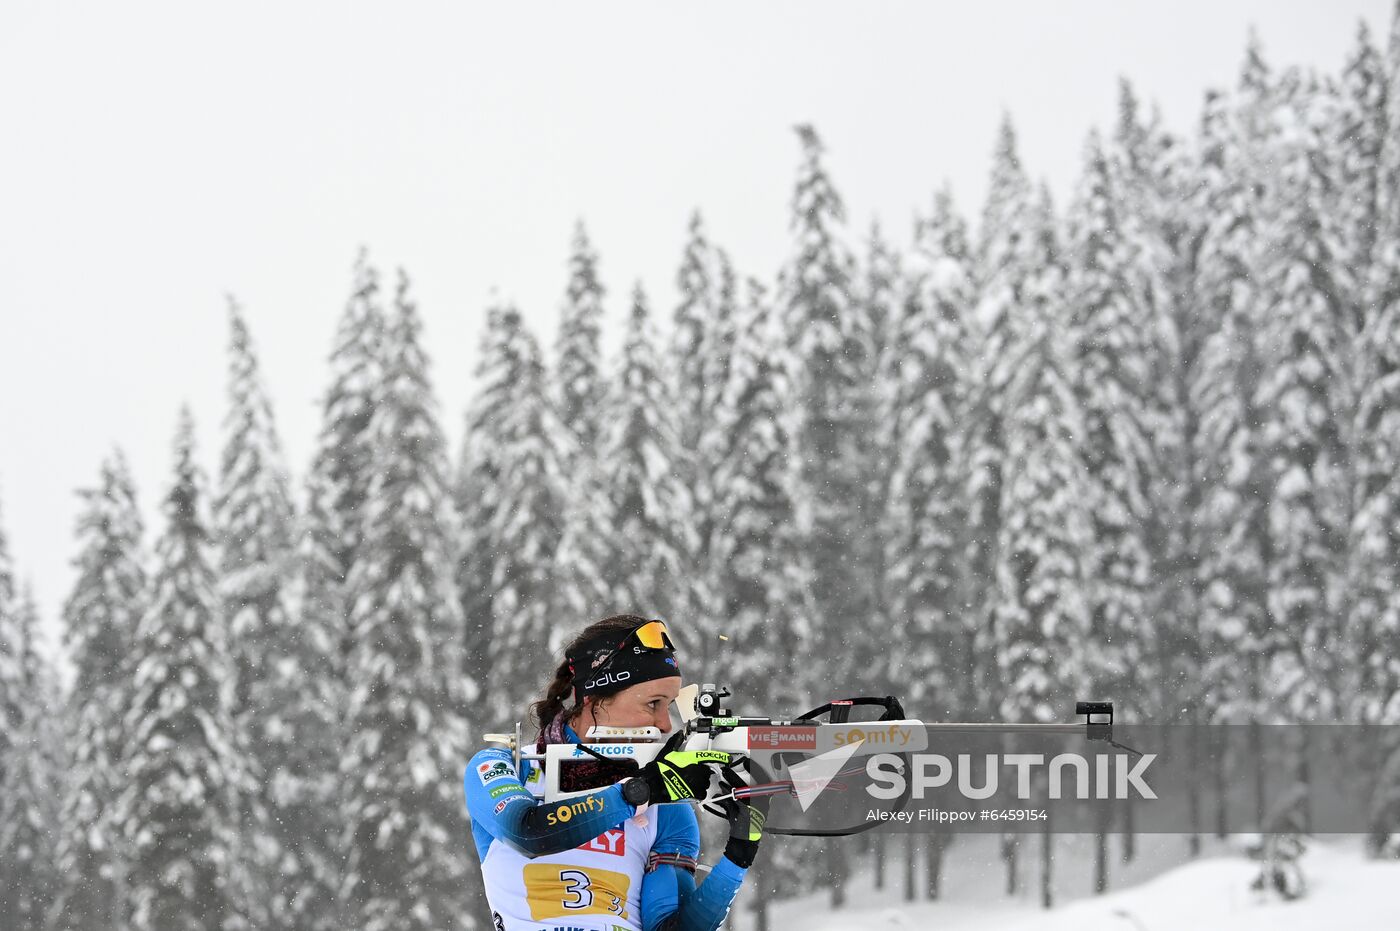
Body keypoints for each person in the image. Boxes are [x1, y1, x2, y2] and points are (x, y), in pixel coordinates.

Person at [464, 615, 768, 931]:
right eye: (653, 704)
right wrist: (642, 791)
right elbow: (528, 832)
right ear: (595, 700)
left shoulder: (667, 809)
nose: (665, 724)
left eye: (669, 706)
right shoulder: (506, 767)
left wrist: (738, 854)